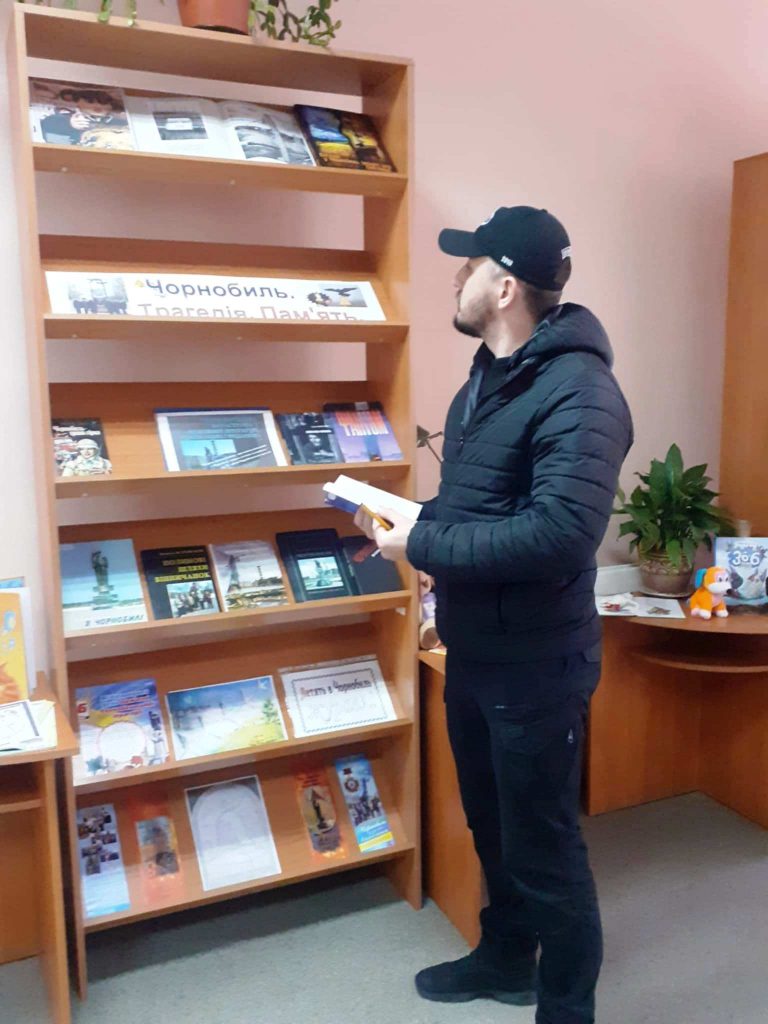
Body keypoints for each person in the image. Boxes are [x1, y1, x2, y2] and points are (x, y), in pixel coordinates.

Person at [355, 206, 633, 1024]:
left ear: (504, 286)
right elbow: (475, 508)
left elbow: (559, 534)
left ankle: (567, 1008)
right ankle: (507, 959)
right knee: (493, 830)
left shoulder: (583, 392)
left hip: (538, 666)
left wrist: (424, 542)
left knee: (545, 848)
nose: (456, 277)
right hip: (474, 652)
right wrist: (411, 522)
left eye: (468, 264)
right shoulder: (483, 380)